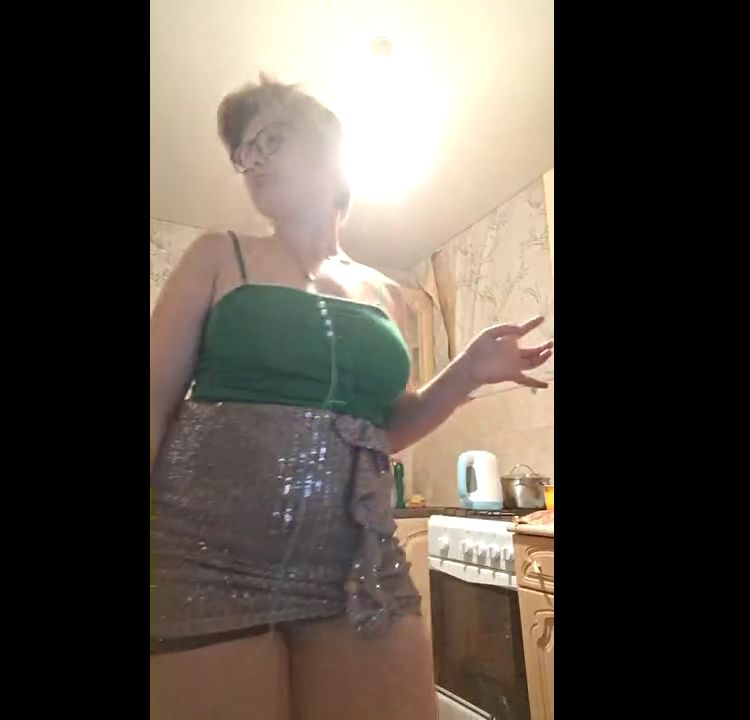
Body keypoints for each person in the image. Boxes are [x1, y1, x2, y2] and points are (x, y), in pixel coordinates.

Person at [150, 75, 553, 720]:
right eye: (242, 153)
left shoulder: (388, 294)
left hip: (357, 561)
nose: (251, 160)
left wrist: (468, 372)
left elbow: (381, 428)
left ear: (328, 150)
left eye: (268, 138)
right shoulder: (219, 254)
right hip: (209, 558)